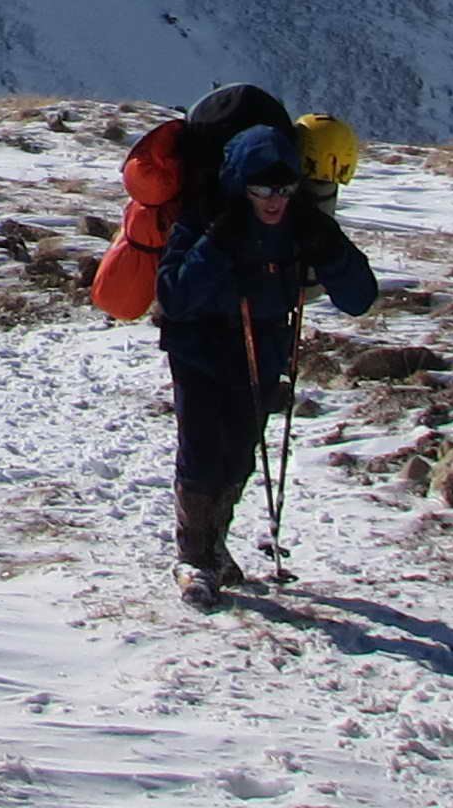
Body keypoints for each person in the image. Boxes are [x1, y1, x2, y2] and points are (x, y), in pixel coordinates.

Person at [154, 119, 376, 604]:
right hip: (200, 351)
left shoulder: (304, 224)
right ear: (241, 183)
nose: (274, 199)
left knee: (238, 455)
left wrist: (330, 251)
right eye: (262, 188)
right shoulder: (206, 217)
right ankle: (193, 559)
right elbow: (174, 297)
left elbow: (361, 297)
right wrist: (217, 243)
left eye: (284, 187)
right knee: (203, 453)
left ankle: (212, 547)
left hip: (263, 353)